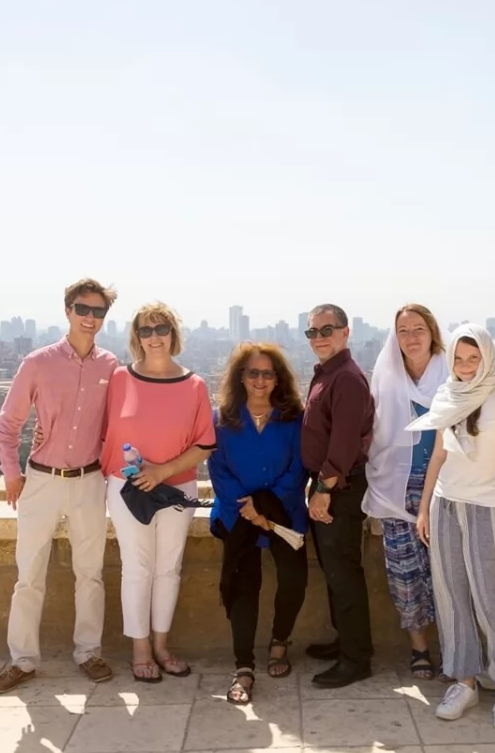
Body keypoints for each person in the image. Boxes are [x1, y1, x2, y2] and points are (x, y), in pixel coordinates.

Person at [0, 278, 119, 694]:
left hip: (90, 480)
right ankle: (22, 659)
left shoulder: (110, 366)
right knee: (29, 575)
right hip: (42, 480)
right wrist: (12, 473)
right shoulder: (38, 363)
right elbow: (8, 425)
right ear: (67, 311)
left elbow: (116, 427)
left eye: (98, 312)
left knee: (91, 574)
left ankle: (89, 651)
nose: (90, 318)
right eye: (83, 309)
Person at [409, 323, 495, 731]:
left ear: (486, 356)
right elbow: (440, 456)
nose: (466, 366)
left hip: (492, 508)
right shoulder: (447, 394)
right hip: (448, 506)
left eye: (474, 357)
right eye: (459, 358)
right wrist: (425, 506)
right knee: (451, 596)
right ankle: (463, 681)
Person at [100, 301, 216, 683]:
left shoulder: (194, 385)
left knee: (168, 568)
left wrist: (162, 470)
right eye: (145, 331)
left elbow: (204, 443)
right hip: (128, 488)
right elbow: (98, 428)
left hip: (176, 488)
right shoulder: (119, 379)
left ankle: (161, 646)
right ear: (136, 337)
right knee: (137, 567)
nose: (154, 337)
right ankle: (140, 649)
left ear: (173, 334)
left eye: (161, 329)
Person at [207, 343, 309, 704]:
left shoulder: (294, 417)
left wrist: (267, 507)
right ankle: (244, 666)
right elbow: (216, 468)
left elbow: (300, 466)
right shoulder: (223, 418)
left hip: (284, 514)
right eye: (253, 372)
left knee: (294, 579)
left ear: (278, 378)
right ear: (240, 377)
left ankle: (280, 640)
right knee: (243, 588)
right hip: (239, 517)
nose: (260, 380)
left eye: (268, 373)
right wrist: (249, 509)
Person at [362, 304, 448, 681]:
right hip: (396, 488)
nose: (411, 337)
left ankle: (458, 650)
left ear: (432, 333)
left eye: (419, 329)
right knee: (405, 574)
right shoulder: (386, 376)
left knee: (449, 573)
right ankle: (419, 648)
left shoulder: (452, 372)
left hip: (448, 486)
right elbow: (374, 429)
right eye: (404, 331)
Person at [300, 303, 376, 688]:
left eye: (327, 329)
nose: (319, 337)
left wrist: (324, 489)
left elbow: (344, 443)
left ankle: (356, 658)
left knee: (343, 572)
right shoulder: (327, 374)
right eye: (312, 332)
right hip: (329, 485)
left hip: (339, 489)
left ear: (346, 332)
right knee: (334, 571)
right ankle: (346, 642)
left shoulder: (345, 378)